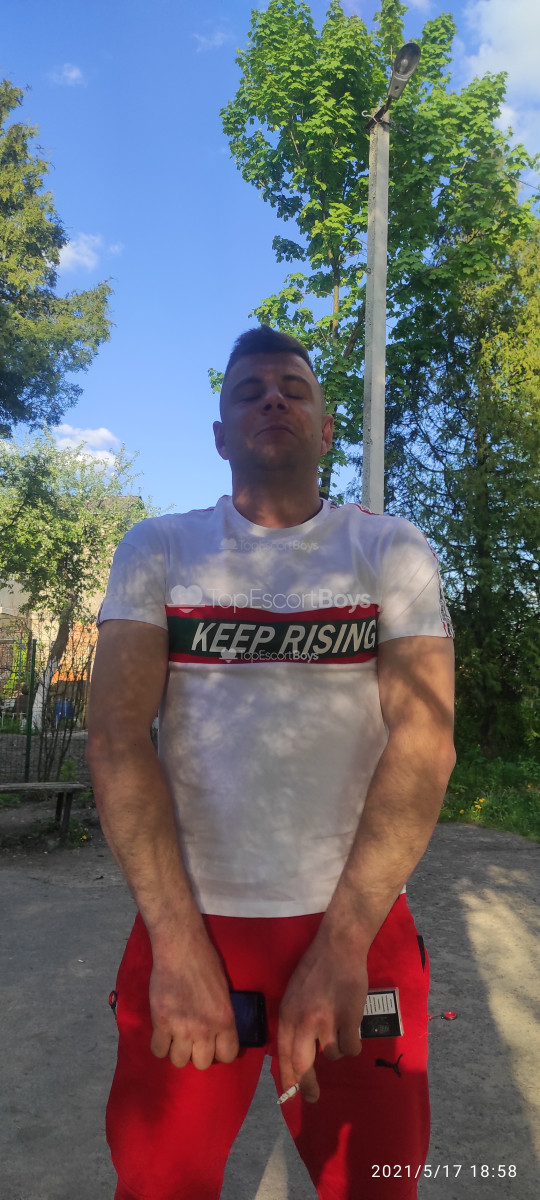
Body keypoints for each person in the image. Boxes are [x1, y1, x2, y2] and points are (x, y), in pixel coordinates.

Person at [87, 325, 456, 1200]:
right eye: (248, 391)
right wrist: (177, 946)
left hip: (355, 921)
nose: (273, 399)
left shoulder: (390, 550)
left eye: (294, 387)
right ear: (220, 435)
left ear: (326, 428)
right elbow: (114, 738)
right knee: (158, 1186)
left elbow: (425, 741)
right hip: (193, 923)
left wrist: (344, 943)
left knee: (378, 1183)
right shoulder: (160, 549)